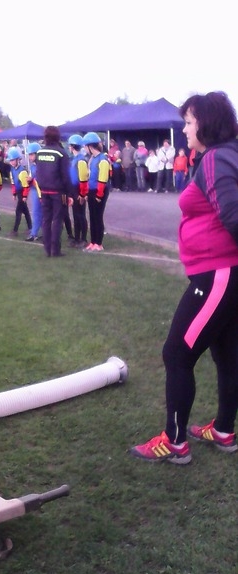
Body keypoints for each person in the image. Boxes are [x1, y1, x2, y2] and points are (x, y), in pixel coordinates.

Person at [130, 91, 238, 464]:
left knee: (176, 354)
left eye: (189, 122)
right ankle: (223, 431)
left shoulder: (216, 159)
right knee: (227, 354)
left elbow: (234, 216)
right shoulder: (227, 154)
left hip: (218, 275)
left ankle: (174, 443)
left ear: (206, 124)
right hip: (224, 273)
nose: (185, 129)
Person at [35, 125, 72, 258]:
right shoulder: (61, 153)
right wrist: (70, 194)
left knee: (46, 219)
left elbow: (38, 172)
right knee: (57, 220)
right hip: (58, 192)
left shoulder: (40, 153)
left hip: (44, 190)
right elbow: (65, 176)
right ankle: (55, 250)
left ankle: (47, 249)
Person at [82, 132, 110, 252]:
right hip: (92, 190)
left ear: (90, 146)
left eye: (85, 146)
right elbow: (89, 176)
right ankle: (93, 242)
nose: (84, 149)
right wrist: (87, 192)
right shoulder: (92, 159)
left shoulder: (102, 159)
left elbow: (103, 178)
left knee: (98, 217)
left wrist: (99, 194)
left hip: (100, 191)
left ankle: (99, 243)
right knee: (92, 217)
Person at [67, 134, 88, 248]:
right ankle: (77, 238)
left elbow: (83, 179)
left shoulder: (80, 160)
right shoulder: (74, 159)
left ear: (72, 146)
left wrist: (82, 194)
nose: (69, 147)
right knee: (75, 215)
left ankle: (83, 239)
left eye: (70, 145)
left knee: (81, 215)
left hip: (79, 189)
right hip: (73, 189)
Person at [7, 147, 32, 237]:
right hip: (18, 192)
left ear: (18, 160)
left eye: (13, 160)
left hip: (22, 193)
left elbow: (26, 186)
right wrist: (14, 193)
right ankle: (30, 227)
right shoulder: (12, 170)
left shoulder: (22, 171)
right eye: (10, 160)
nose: (11, 162)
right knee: (25, 211)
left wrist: (25, 196)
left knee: (18, 211)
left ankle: (15, 230)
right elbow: (13, 183)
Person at [25, 142, 42, 242]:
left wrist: (32, 180)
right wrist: (29, 180)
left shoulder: (42, 165)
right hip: (35, 190)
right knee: (37, 212)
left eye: (31, 154)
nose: (30, 157)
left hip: (41, 191)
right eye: (29, 155)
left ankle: (35, 233)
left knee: (39, 212)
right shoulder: (33, 166)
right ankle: (36, 232)